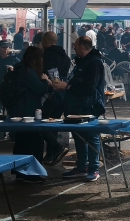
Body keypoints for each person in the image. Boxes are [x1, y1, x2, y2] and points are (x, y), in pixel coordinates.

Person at [53, 37, 107, 183]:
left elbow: (89, 88)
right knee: (78, 136)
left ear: (83, 47)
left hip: (89, 106)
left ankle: (94, 168)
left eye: (75, 46)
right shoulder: (82, 61)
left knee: (91, 136)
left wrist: (68, 87)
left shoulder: (94, 63)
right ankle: (82, 166)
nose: (74, 48)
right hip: (76, 106)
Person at [12, 47, 54, 183]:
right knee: (33, 142)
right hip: (28, 112)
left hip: (23, 111)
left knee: (22, 143)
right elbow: (41, 89)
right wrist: (45, 81)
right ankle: (32, 174)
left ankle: (21, 173)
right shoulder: (28, 72)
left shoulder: (23, 70)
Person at [41, 32, 71, 165]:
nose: (41, 44)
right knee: (54, 122)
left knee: (42, 122)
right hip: (63, 93)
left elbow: (53, 74)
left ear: (47, 41)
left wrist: (51, 85)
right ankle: (51, 153)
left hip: (51, 91)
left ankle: (55, 148)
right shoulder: (65, 55)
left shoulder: (47, 55)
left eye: (42, 42)